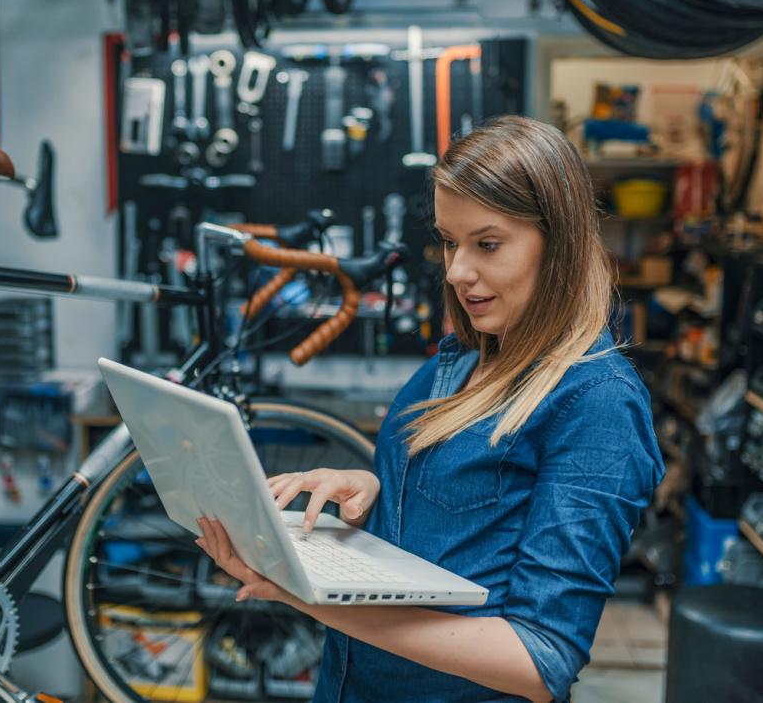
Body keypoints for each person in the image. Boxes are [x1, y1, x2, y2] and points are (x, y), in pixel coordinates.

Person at [194, 116, 665, 703]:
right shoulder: (458, 363)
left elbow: (539, 659)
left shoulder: (596, 403)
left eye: (487, 244)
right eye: (449, 241)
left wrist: (303, 593)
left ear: (559, 244)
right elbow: (459, 526)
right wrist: (366, 493)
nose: (457, 271)